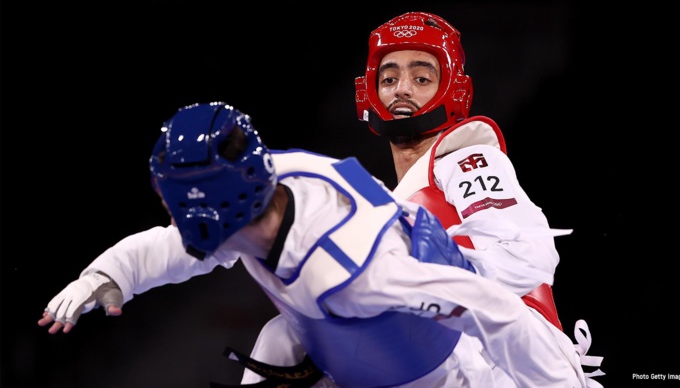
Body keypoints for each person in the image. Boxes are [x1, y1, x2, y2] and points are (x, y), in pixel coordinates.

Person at [38, 102, 598, 388]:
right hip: (347, 340)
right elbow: (174, 246)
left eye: (177, 201)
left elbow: (492, 308)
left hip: (448, 375)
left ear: (218, 208)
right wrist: (110, 275)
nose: (170, 212)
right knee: (278, 338)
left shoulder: (355, 271)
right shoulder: (278, 174)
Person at [240, 12, 605, 387]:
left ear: (452, 90)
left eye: (421, 78)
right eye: (389, 78)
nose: (402, 89)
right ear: (369, 92)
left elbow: (526, 258)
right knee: (287, 337)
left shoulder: (466, 158)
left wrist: (421, 276)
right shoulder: (384, 202)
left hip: (517, 365)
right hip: (445, 356)